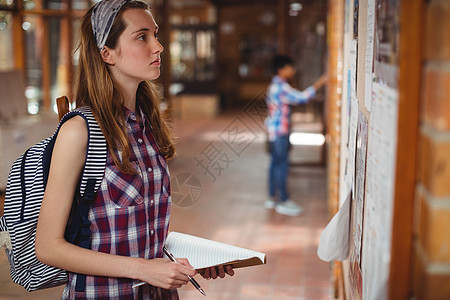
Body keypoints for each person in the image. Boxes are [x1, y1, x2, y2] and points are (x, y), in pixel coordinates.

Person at [35, 0, 233, 299]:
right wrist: (144, 269)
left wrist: (191, 262)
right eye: (142, 37)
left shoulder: (147, 123)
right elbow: (48, 247)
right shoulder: (79, 131)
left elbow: (142, 232)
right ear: (107, 53)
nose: (159, 47)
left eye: (155, 34)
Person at [264, 54, 327, 216]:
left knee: (274, 164)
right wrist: (320, 82)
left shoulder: (274, 85)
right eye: (289, 68)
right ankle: (283, 200)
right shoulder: (282, 87)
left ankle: (272, 198)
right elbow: (301, 98)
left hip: (273, 131)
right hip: (280, 132)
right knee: (282, 165)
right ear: (281, 69)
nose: (293, 70)